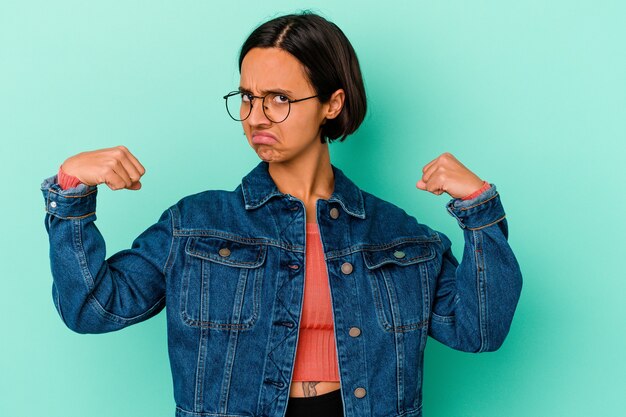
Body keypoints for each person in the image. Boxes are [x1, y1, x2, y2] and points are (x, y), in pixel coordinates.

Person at [41, 12, 522, 417]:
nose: (256, 116)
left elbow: (479, 331)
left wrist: (478, 210)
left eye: (279, 99)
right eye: (248, 97)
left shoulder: (399, 237)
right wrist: (72, 190)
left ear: (333, 103)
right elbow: (92, 308)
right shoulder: (194, 225)